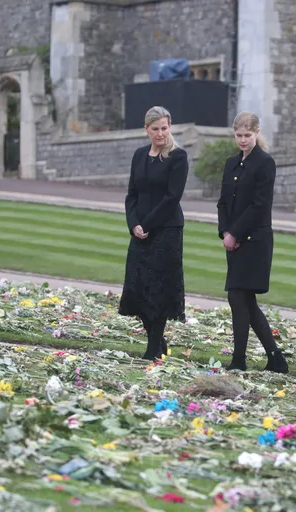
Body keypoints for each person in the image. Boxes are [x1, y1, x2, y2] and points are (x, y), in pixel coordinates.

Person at [216, 112, 288, 373]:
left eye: (248, 135)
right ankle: (275, 357)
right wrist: (225, 232)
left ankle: (239, 360)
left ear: (257, 132)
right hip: (234, 241)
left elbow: (259, 206)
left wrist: (235, 233)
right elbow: (223, 202)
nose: (243, 140)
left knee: (237, 296)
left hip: (254, 241)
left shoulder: (264, 163)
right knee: (245, 300)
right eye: (239, 136)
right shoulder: (232, 164)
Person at [118, 106, 188, 360]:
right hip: (139, 231)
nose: (160, 133)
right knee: (136, 287)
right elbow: (131, 195)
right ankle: (158, 339)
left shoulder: (177, 157)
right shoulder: (139, 155)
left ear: (170, 127)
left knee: (159, 290)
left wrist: (145, 225)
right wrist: (133, 224)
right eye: (155, 129)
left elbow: (172, 197)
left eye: (164, 128)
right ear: (146, 129)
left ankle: (153, 350)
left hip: (166, 230)